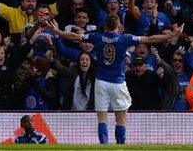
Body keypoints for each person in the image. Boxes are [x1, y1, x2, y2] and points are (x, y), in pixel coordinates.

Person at [49, 15, 183, 144]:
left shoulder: (97, 37)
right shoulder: (125, 39)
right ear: (118, 26)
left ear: (105, 26)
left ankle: (104, 145)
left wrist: (57, 31)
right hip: (117, 82)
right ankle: (120, 146)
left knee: (102, 118)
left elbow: (74, 36)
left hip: (101, 82)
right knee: (121, 118)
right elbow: (150, 39)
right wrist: (172, 35)